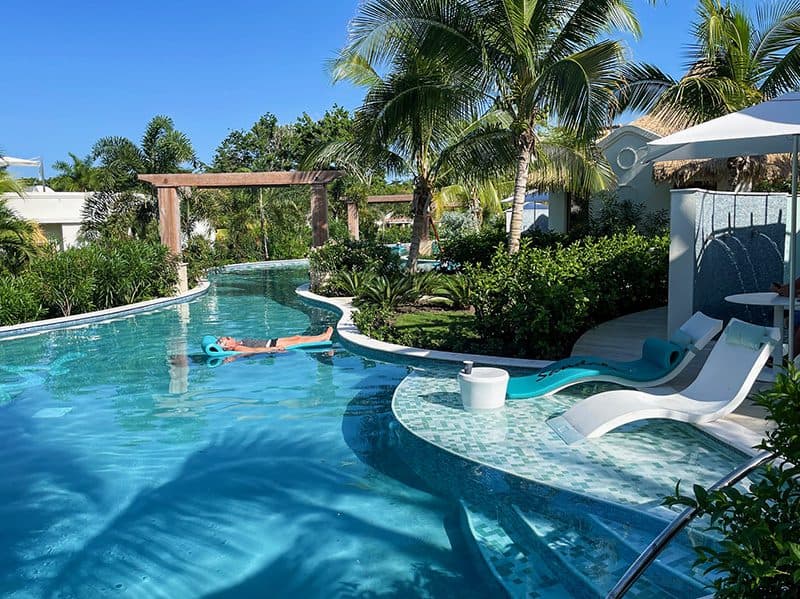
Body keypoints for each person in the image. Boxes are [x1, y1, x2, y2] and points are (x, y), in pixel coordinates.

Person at [217, 326, 334, 354]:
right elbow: (253, 351)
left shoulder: (238, 343)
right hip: (271, 345)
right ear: (228, 347)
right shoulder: (238, 347)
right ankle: (324, 337)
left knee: (298, 337)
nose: (230, 336)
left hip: (272, 341)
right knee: (299, 341)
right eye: (227, 339)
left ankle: (323, 336)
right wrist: (274, 348)